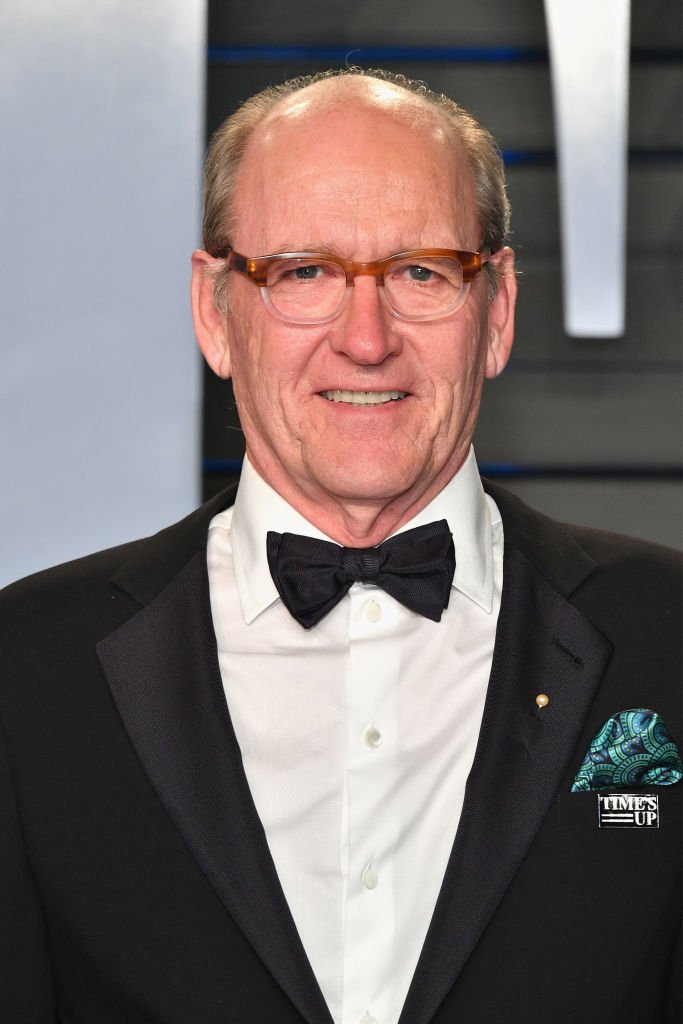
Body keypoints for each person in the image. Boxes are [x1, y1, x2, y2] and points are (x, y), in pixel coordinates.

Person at [1, 69, 680, 1024]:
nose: (367, 340)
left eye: (420, 272)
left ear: (498, 311)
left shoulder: (667, 636)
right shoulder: (26, 668)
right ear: (213, 311)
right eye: (304, 272)